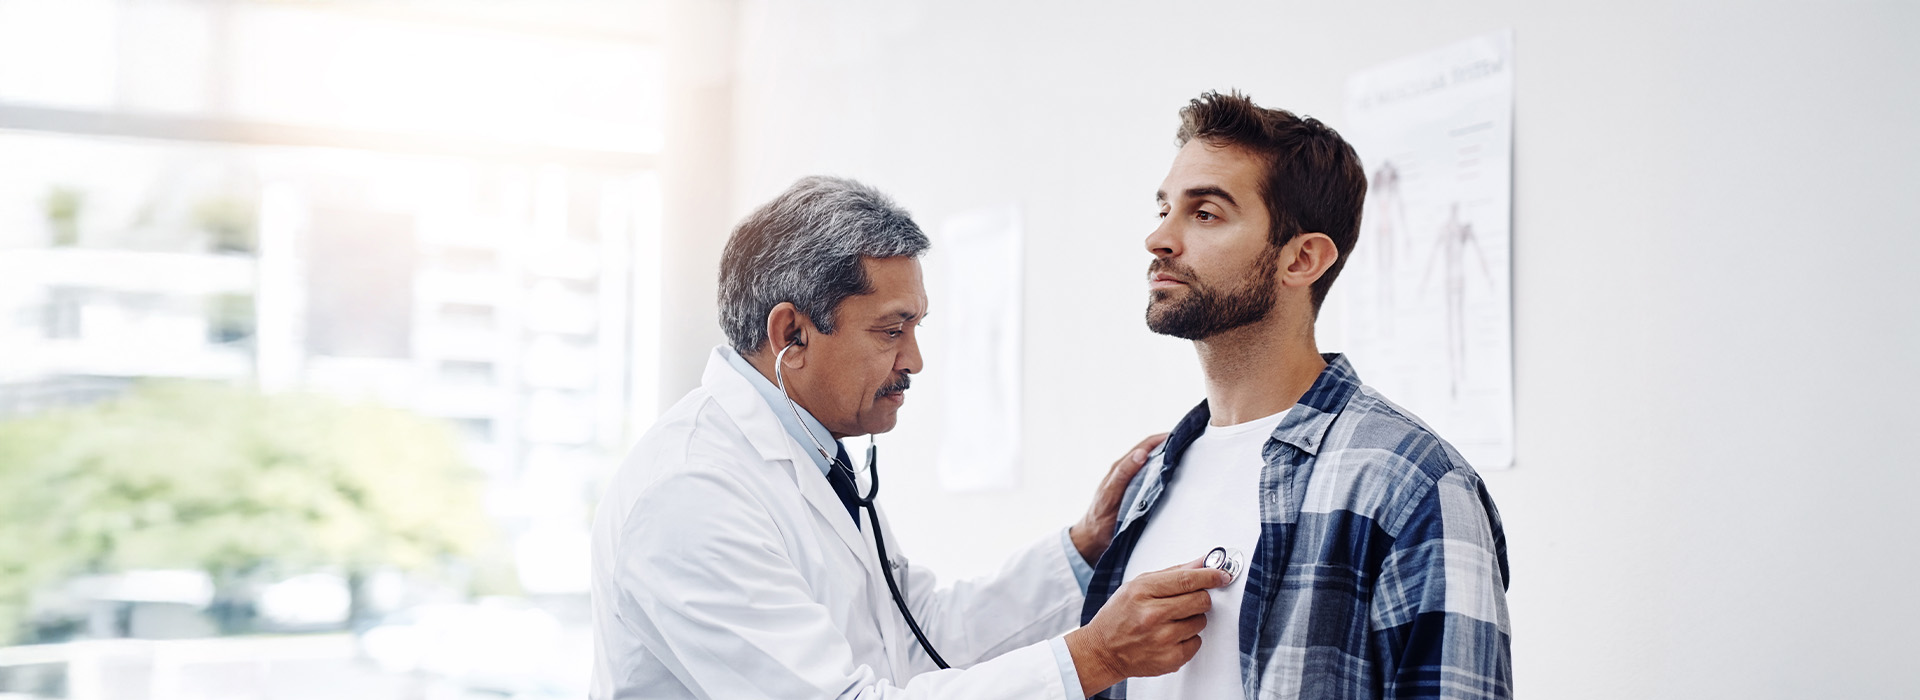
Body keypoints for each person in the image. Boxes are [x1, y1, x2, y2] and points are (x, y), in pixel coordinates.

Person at [590, 176, 1229, 699]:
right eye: (891, 331)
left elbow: (921, 635)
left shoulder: (816, 458)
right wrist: (1095, 657)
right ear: (792, 334)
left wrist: (1082, 550)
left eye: (916, 327)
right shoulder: (691, 490)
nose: (915, 360)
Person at [1080, 91, 1512, 699]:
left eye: (1204, 213)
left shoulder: (1411, 484)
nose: (1159, 238)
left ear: (1302, 258)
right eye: (1163, 208)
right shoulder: (1149, 479)